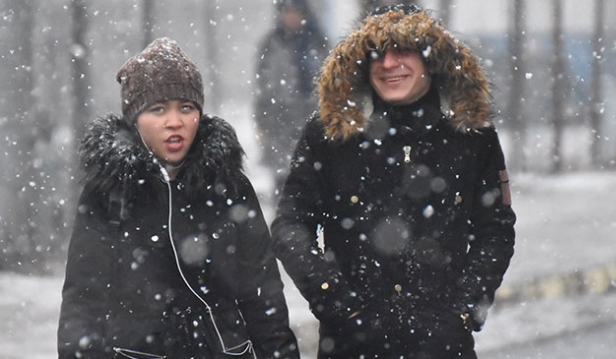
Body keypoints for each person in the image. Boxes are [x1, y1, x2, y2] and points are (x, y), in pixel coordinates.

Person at [271, 4, 516, 359]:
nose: (388, 64)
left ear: (431, 58)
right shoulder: (329, 134)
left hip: (443, 346)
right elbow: (290, 226)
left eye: (402, 50)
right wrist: (336, 301)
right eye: (375, 53)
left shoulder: (471, 135)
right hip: (349, 346)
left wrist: (465, 308)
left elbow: (495, 230)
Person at [57, 37, 299, 358]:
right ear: (134, 119)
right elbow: (83, 299)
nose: (175, 122)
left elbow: (262, 293)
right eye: (158, 110)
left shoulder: (230, 185)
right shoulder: (110, 192)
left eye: (186, 108)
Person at [253, 0, 329, 201]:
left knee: (314, 181)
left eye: (296, 12)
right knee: (283, 184)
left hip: (312, 122)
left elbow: (329, 84)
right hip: (279, 124)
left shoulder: (318, 44)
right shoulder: (271, 45)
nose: (292, 17)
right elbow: (262, 87)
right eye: (288, 12)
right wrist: (262, 121)